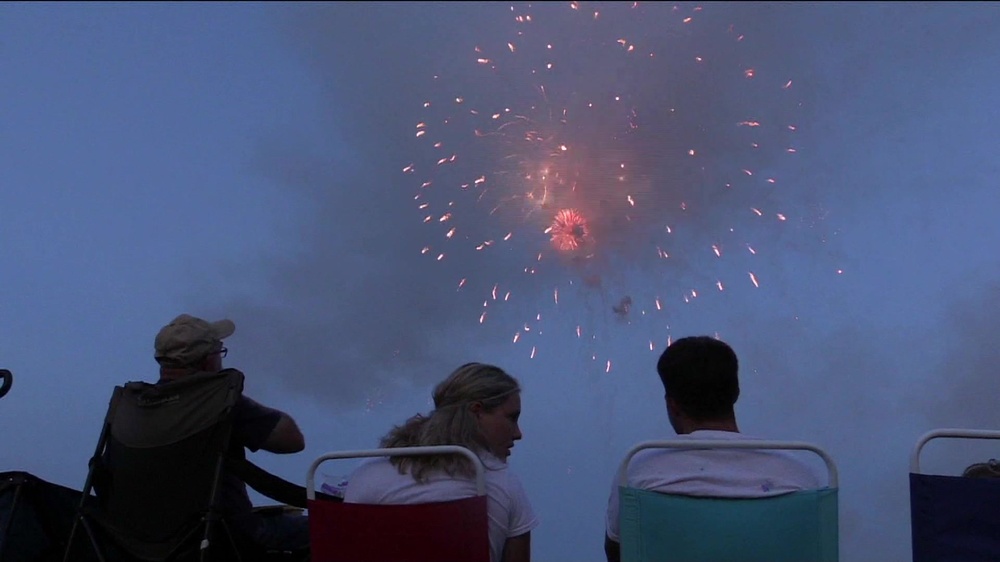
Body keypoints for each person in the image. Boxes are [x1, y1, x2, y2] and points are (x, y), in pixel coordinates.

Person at [604, 336, 821, 562]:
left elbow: (618, 553)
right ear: (736, 393)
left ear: (673, 404)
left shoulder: (640, 473)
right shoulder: (799, 476)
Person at [343, 362, 538, 562]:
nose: (518, 433)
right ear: (477, 411)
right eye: (512, 418)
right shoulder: (501, 482)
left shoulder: (368, 474)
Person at [153, 313, 309, 552]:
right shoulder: (220, 404)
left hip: (147, 541)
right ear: (207, 361)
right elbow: (293, 441)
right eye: (219, 350)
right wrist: (229, 394)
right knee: (337, 528)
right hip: (224, 535)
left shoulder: (131, 408)